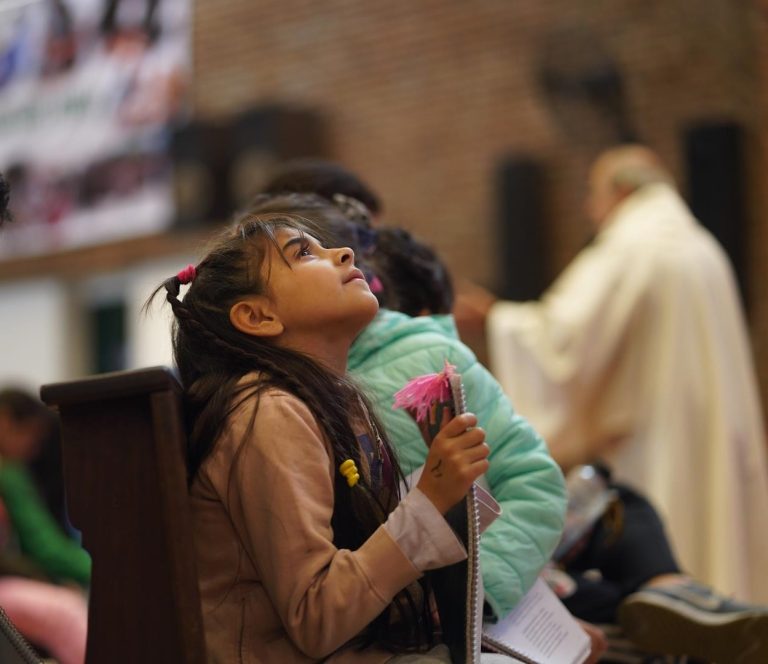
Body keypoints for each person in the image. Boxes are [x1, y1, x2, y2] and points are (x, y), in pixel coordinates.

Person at [332, 218, 768, 664]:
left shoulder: (637, 243)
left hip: (466, 586)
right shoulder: (680, 239)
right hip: (456, 600)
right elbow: (522, 483)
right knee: (612, 533)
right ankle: (667, 588)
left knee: (610, 505)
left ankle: (668, 592)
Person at [145, 209, 527, 663]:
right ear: (257, 315)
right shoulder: (268, 411)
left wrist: (446, 499)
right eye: (304, 253)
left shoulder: (327, 401)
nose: (344, 253)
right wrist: (429, 500)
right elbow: (317, 617)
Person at [457, 144, 768, 603]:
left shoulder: (632, 246)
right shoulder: (700, 244)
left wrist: (495, 319)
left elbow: (565, 339)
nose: (589, 207)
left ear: (621, 191)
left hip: (657, 434)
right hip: (710, 426)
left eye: (592, 193)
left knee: (671, 537)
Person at [0, 388, 89, 664]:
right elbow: (44, 547)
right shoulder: (8, 474)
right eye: (31, 437)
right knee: (68, 611)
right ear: (4, 422)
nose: (33, 450)